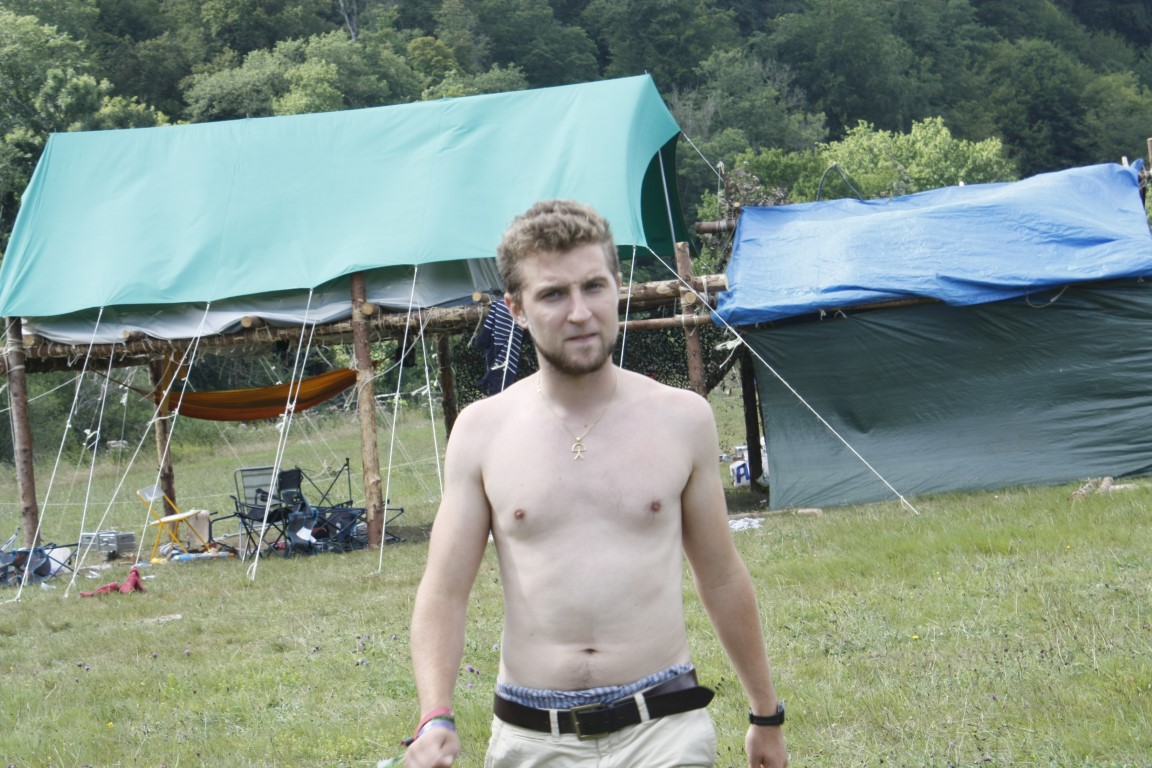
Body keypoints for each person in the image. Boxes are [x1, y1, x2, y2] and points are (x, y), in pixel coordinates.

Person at [403, 200, 788, 768]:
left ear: (618, 288)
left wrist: (765, 715)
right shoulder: (482, 431)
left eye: (594, 287)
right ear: (516, 309)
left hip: (664, 728)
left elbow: (722, 575)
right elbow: (444, 591)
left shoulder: (682, 419)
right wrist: (435, 715)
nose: (580, 312)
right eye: (553, 295)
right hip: (531, 736)